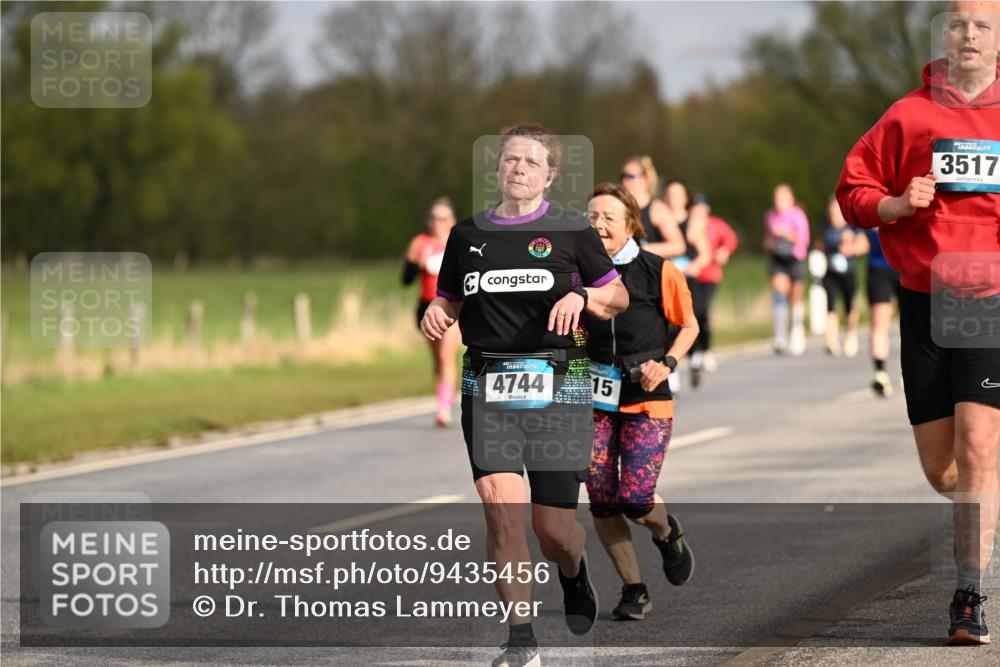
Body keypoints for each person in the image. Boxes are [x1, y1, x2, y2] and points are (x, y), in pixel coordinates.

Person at [422, 123, 629, 667]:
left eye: (530, 163)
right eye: (510, 160)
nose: (518, 169)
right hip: (486, 384)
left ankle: (573, 570)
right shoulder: (466, 235)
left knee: (553, 530)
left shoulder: (571, 230)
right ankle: (520, 641)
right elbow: (450, 300)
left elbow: (618, 295)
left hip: (560, 385)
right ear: (497, 167)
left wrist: (583, 297)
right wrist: (436, 312)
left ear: (550, 175)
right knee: (500, 512)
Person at [836, 0, 1000, 645]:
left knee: (979, 444)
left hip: (989, 296)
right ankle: (982, 499)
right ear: (944, 34)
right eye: (958, 23)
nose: (968, 34)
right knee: (946, 471)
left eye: (983, 24)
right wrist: (897, 204)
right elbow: (853, 191)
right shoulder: (908, 114)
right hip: (925, 296)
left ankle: (969, 596)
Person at [583, 183, 698, 621]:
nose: (599, 225)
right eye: (592, 217)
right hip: (592, 399)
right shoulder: (576, 275)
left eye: (609, 217)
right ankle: (634, 589)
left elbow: (688, 325)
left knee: (634, 496)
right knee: (600, 495)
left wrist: (666, 363)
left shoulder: (657, 270)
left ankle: (667, 532)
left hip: (646, 396)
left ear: (630, 224)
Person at [403, 197, 461, 426]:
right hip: (425, 307)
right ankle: (442, 399)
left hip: (450, 307)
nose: (438, 222)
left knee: (447, 356)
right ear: (429, 222)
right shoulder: (419, 243)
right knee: (437, 358)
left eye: (443, 218)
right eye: (434, 218)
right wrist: (417, 262)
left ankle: (444, 410)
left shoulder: (458, 243)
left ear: (452, 221)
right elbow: (405, 280)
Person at [690, 193, 738, 381]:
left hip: (710, 275)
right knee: (692, 314)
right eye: (694, 206)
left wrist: (724, 251)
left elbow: (731, 239)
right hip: (691, 275)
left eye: (701, 206)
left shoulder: (715, 224)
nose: (698, 210)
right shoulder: (687, 226)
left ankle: (707, 351)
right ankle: (694, 354)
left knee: (704, 313)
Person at [764, 184, 811, 356]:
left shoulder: (798, 215)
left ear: (790, 199)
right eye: (776, 198)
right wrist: (769, 243)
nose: (779, 202)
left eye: (782, 198)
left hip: (795, 257)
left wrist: (785, 234)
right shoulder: (770, 216)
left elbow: (803, 240)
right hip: (778, 258)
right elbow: (768, 238)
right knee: (778, 292)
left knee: (795, 297)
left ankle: (797, 331)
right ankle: (780, 335)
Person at [820, 197, 868, 358]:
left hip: (848, 273)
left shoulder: (852, 228)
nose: (834, 214)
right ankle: (831, 341)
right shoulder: (826, 230)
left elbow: (864, 246)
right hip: (831, 274)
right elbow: (820, 247)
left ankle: (850, 335)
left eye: (836, 211)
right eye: (831, 211)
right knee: (831, 306)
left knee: (849, 307)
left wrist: (852, 247)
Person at [619, 157, 686, 259]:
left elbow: (678, 246)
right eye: (622, 176)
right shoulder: (620, 208)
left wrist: (640, 249)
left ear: (645, 179)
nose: (624, 181)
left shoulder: (657, 210)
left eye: (630, 177)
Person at [865, 228, 901, 396]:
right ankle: (880, 373)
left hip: (906, 265)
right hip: (878, 267)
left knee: (912, 322)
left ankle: (910, 370)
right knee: (879, 320)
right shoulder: (871, 200)